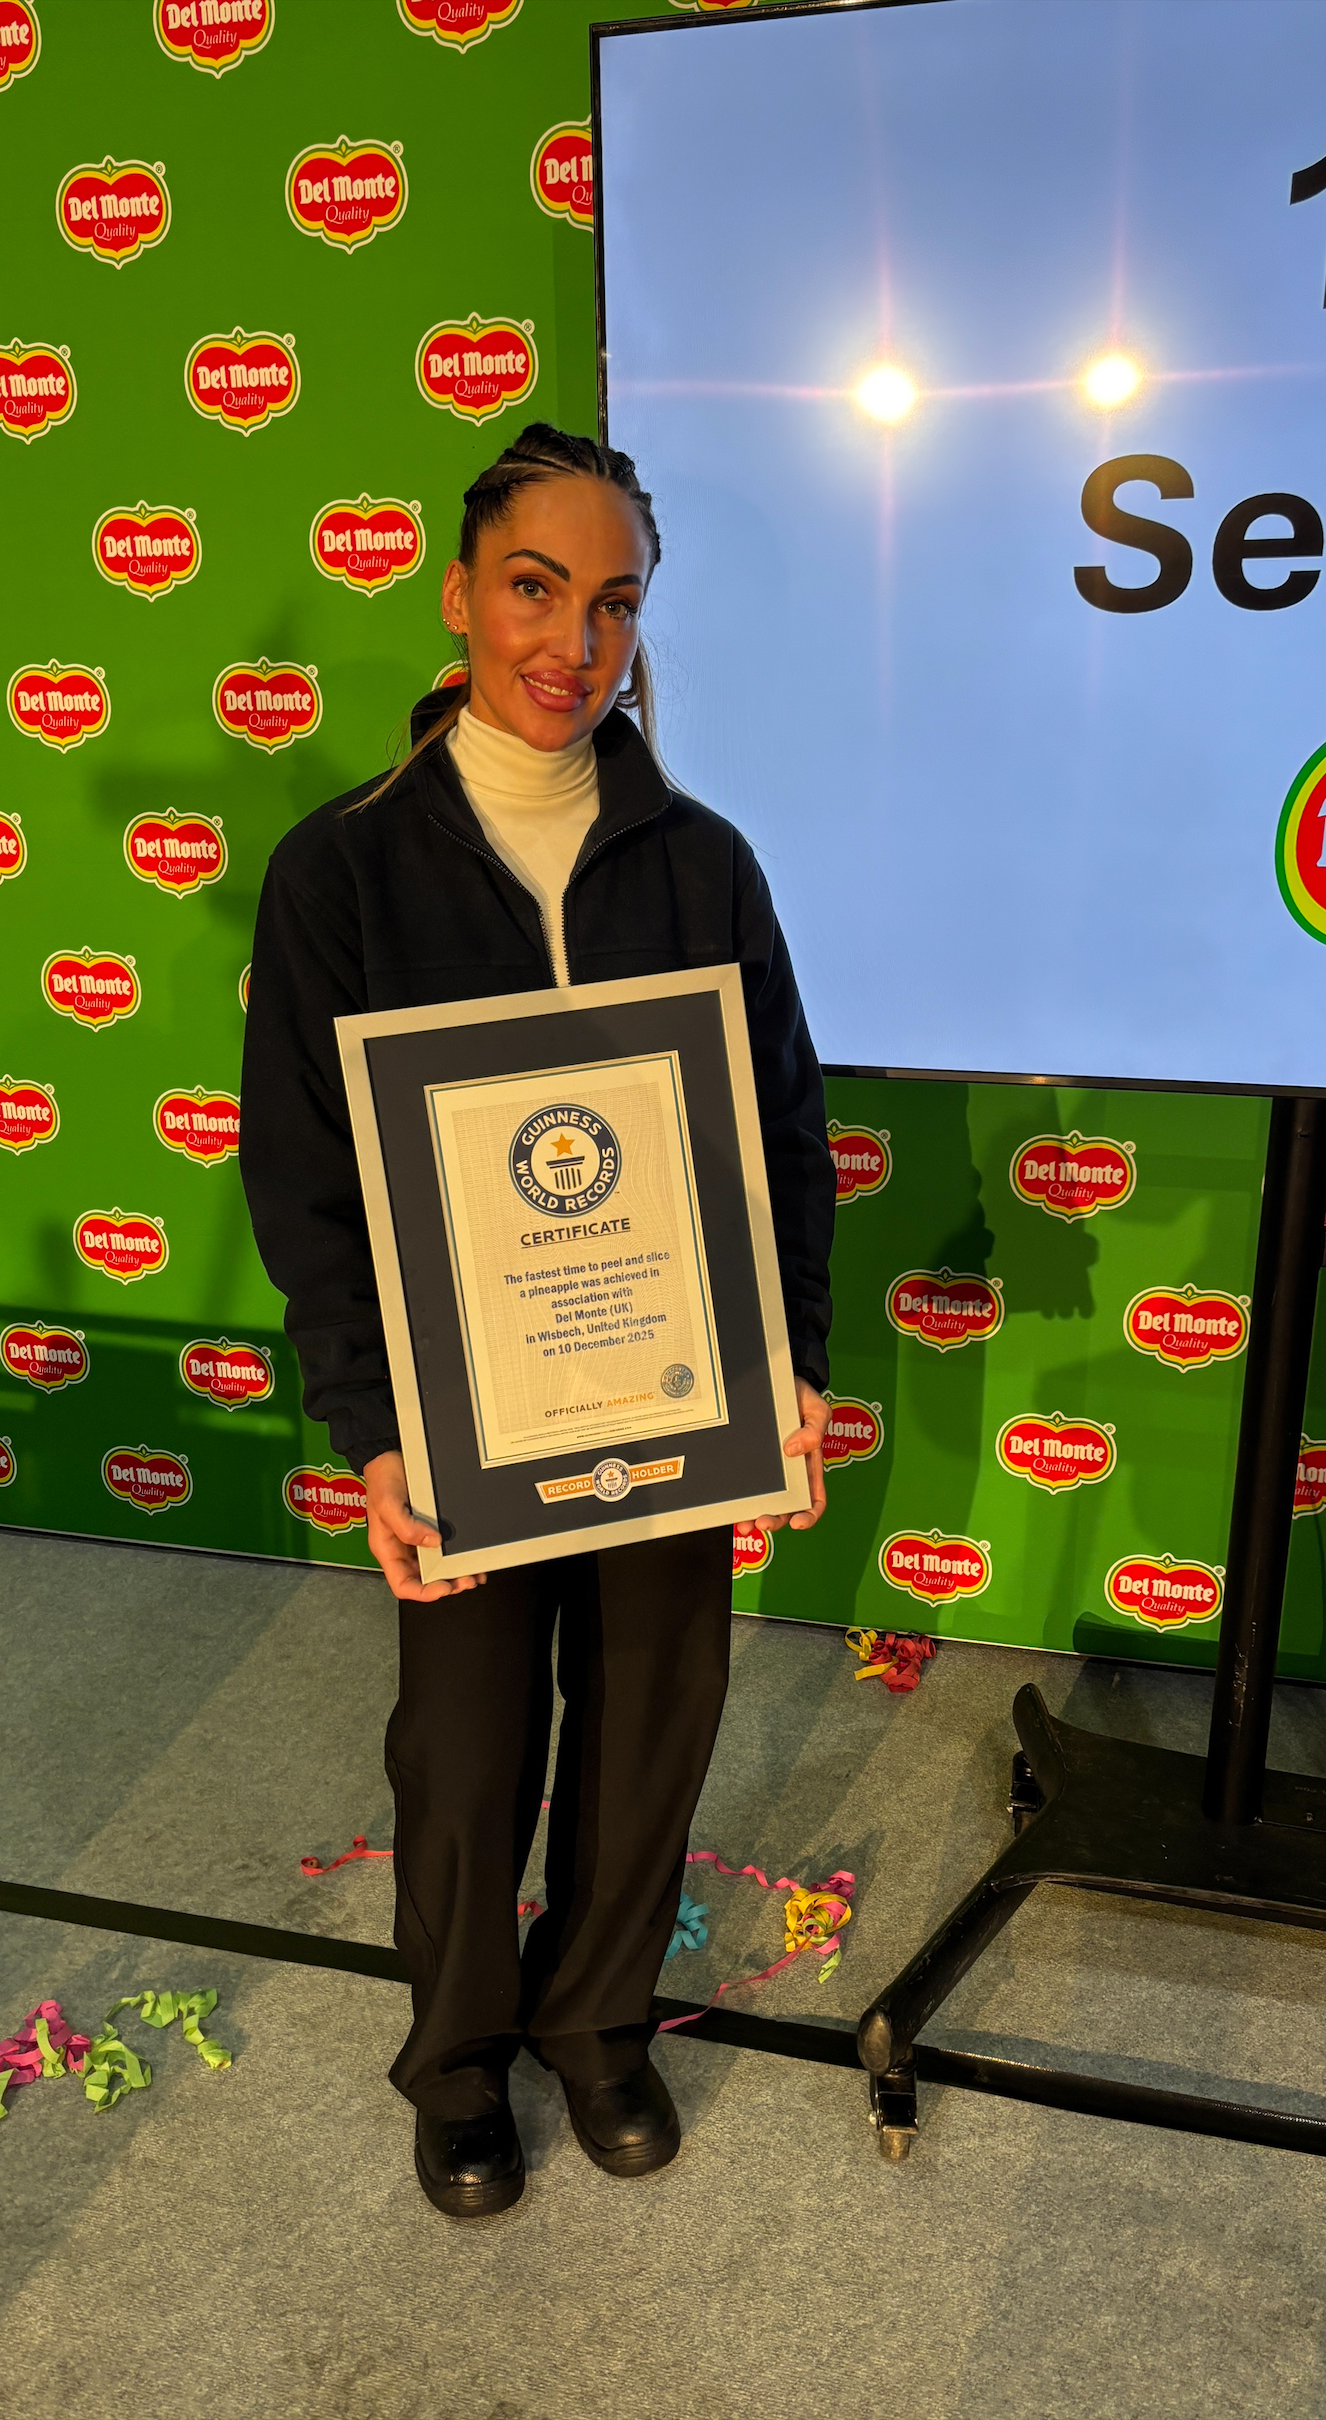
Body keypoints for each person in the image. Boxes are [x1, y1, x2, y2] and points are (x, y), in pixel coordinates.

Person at [240, 424, 835, 2218]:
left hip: (668, 1384)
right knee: (471, 1737)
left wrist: (780, 1371)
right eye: (535, 587)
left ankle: (598, 2027)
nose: (572, 639)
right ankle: (458, 2054)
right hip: (465, 1410)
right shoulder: (342, 871)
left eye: (614, 601)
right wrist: (372, 1427)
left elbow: (781, 1134)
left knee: (656, 1708)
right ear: (459, 596)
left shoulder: (703, 862)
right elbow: (308, 1179)